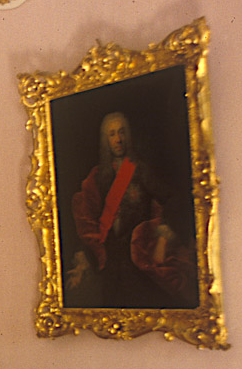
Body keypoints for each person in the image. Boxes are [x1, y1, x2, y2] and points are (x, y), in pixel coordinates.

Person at [66, 111, 197, 308]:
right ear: (106, 140)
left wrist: (162, 239)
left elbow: (173, 200)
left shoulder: (141, 170)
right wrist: (83, 261)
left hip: (137, 258)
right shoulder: (98, 176)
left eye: (121, 132)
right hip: (110, 263)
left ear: (128, 135)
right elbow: (87, 219)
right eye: (112, 134)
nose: (118, 139)